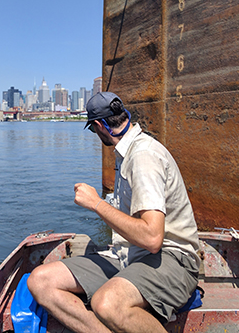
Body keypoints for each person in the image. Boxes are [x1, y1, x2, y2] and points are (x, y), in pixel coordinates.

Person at [27, 92, 200, 333]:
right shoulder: (126, 154)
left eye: (92, 130)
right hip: (127, 255)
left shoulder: (142, 157)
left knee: (106, 303)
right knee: (40, 281)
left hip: (172, 260)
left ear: (99, 126)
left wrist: (96, 204)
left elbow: (152, 239)